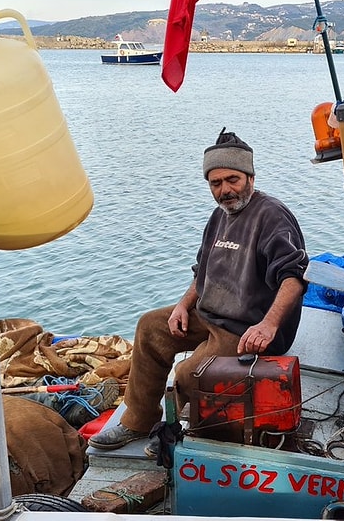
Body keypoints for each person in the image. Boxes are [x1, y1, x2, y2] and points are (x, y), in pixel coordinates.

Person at [88, 128, 308, 454]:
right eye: (215, 183)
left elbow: (294, 278)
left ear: (250, 176)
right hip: (210, 315)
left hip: (247, 327)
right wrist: (183, 304)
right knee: (150, 328)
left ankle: (176, 432)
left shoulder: (271, 217)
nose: (225, 190)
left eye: (232, 179)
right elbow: (202, 272)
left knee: (188, 373)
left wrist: (269, 325)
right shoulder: (219, 217)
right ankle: (139, 420)